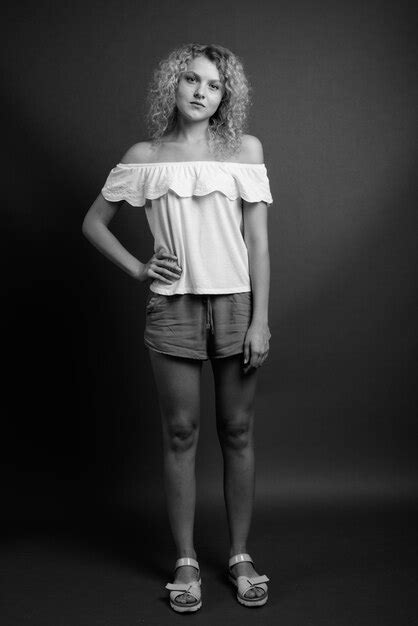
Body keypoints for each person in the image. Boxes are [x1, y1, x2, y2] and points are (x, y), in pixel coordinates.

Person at [82, 43, 273, 613]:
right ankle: (186, 559)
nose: (199, 92)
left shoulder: (244, 150)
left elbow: (258, 241)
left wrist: (261, 318)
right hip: (174, 306)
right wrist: (139, 268)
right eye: (191, 79)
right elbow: (93, 222)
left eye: (213, 86)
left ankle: (240, 556)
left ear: (224, 97)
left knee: (236, 430)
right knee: (181, 433)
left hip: (237, 304)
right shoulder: (146, 154)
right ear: (174, 84)